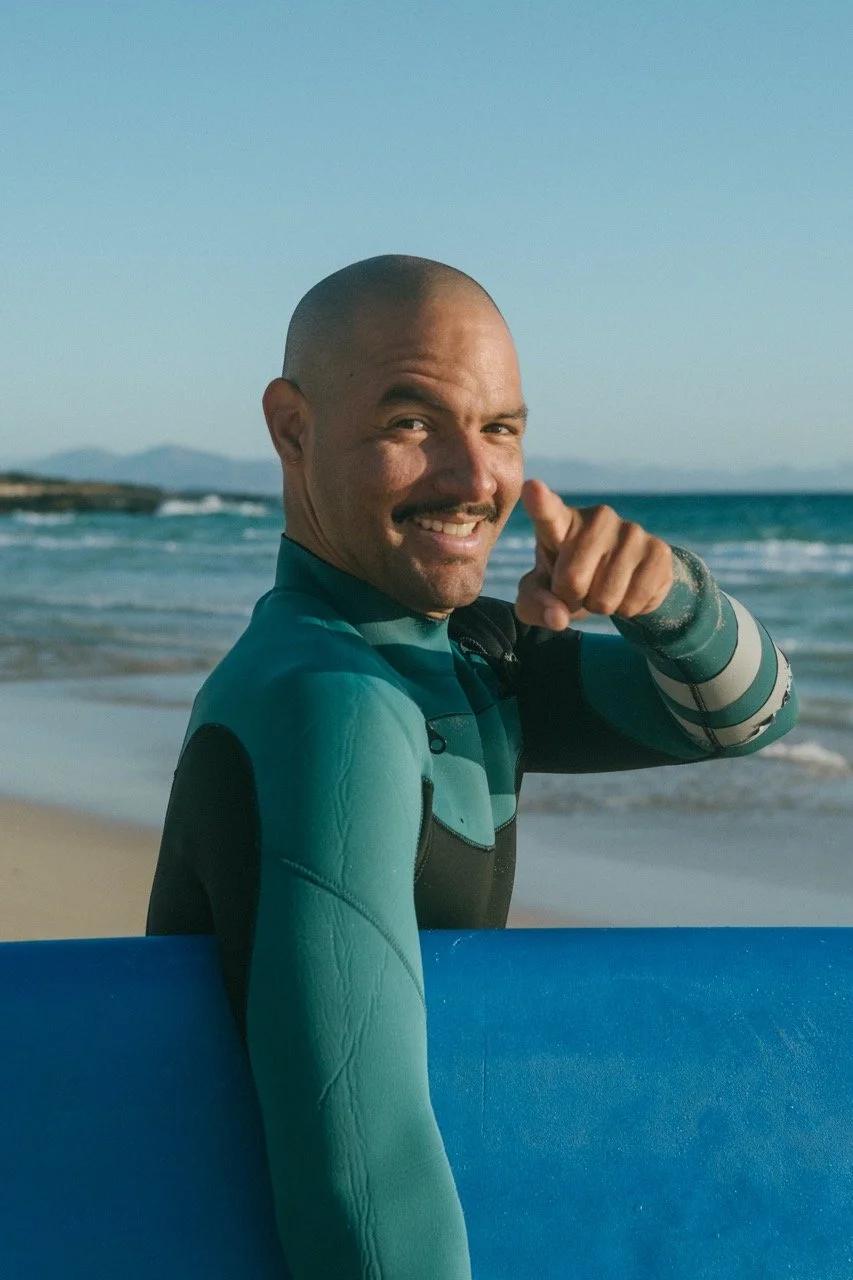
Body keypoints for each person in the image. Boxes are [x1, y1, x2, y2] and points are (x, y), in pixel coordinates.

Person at [147, 255, 798, 1278]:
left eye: (500, 428)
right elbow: (360, 1184)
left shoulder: (467, 659)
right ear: (290, 427)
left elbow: (749, 715)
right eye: (412, 422)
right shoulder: (327, 703)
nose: (473, 477)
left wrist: (668, 595)